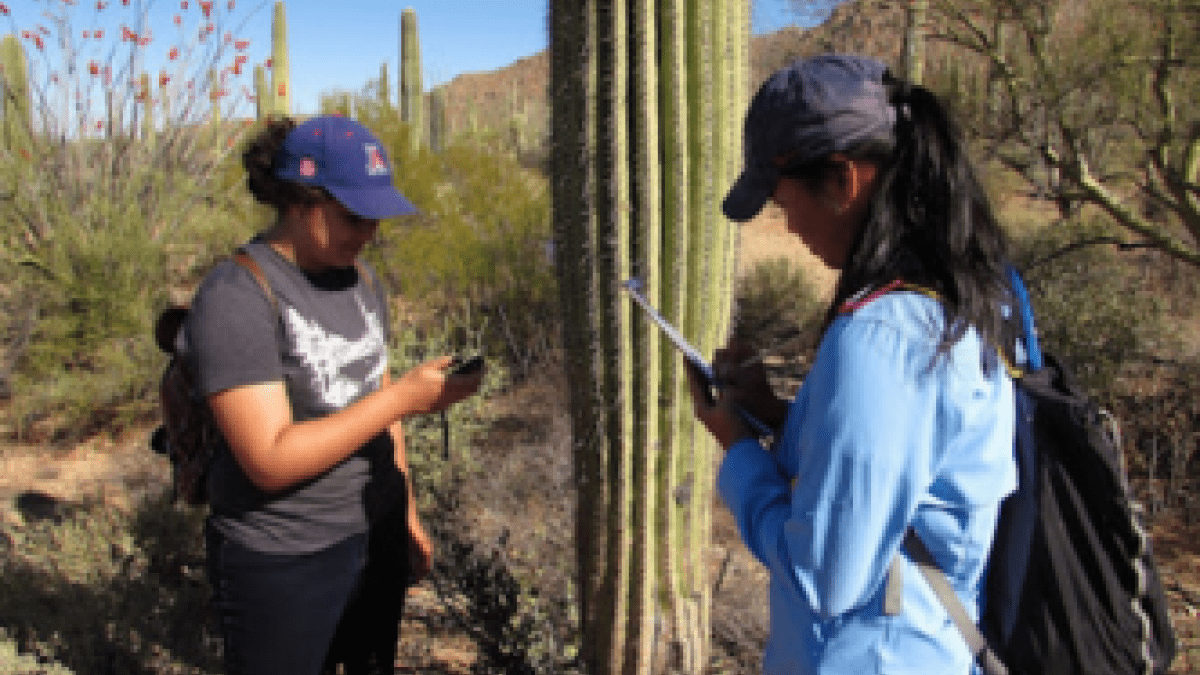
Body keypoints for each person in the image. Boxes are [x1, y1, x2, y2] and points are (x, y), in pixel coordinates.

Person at [688, 54, 1019, 674]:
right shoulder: (957, 300)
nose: (787, 228)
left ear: (843, 181)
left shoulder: (885, 337)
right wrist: (772, 415)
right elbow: (902, 471)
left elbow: (826, 576)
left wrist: (738, 451)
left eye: (785, 204)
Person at [186, 115, 484, 675]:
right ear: (300, 202)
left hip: (374, 532)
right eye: (353, 216)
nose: (368, 232)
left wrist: (407, 514)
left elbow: (379, 404)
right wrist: (402, 398)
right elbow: (269, 459)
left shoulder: (362, 280)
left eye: (376, 217)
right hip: (285, 554)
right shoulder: (236, 295)